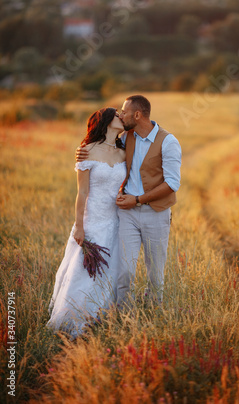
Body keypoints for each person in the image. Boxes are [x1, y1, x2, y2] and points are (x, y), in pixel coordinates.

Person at [76, 95, 182, 309]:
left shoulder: (168, 141)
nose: (120, 115)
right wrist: (83, 150)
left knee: (155, 271)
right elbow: (104, 147)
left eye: (124, 112)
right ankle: (123, 312)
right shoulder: (126, 138)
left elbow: (172, 183)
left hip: (156, 213)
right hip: (127, 214)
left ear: (137, 114)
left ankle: (153, 310)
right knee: (125, 269)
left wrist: (138, 199)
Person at [47, 107, 126, 338]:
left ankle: (101, 318)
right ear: (106, 121)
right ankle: (73, 319)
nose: (122, 117)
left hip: (115, 221)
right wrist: (79, 226)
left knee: (110, 270)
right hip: (92, 220)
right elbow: (82, 193)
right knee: (84, 270)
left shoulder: (124, 150)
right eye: (117, 114)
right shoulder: (87, 151)